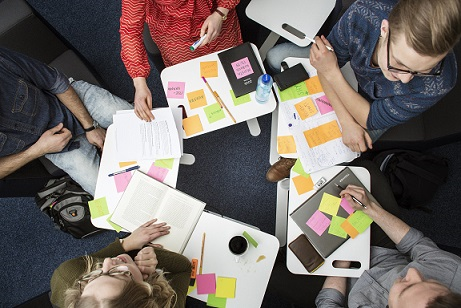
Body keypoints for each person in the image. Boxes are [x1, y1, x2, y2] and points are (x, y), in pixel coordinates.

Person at [265, 0, 461, 182]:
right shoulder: (363, 14)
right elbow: (325, 66)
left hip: (374, 104)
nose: (406, 79)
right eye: (400, 63)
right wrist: (345, 119)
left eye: (422, 71)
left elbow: (370, 118)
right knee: (276, 57)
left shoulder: (440, 81)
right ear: (385, 29)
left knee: (349, 147)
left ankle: (297, 159)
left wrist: (332, 73)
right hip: (343, 71)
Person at [0, 47, 133, 195]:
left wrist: (90, 126)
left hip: (67, 100)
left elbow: (56, 82)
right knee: (104, 191)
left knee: (139, 122)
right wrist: (38, 150)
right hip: (50, 145)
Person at [315, 183, 461, 307]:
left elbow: (328, 303)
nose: (413, 272)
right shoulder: (454, 273)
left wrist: (341, 263)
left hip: (342, 288)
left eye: (407, 287)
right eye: (429, 280)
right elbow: (414, 244)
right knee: (361, 176)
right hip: (384, 254)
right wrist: (370, 208)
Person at [120, 0, 243, 122]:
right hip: (172, 32)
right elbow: (130, 30)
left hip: (217, 15)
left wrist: (220, 13)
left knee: (229, 69)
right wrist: (139, 84)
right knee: (190, 81)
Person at [50, 218, 191, 307]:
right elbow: (184, 268)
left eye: (93, 276)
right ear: (146, 294)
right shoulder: (170, 304)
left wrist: (127, 243)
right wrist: (152, 270)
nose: (106, 262)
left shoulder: (68, 275)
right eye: (121, 273)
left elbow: (97, 257)